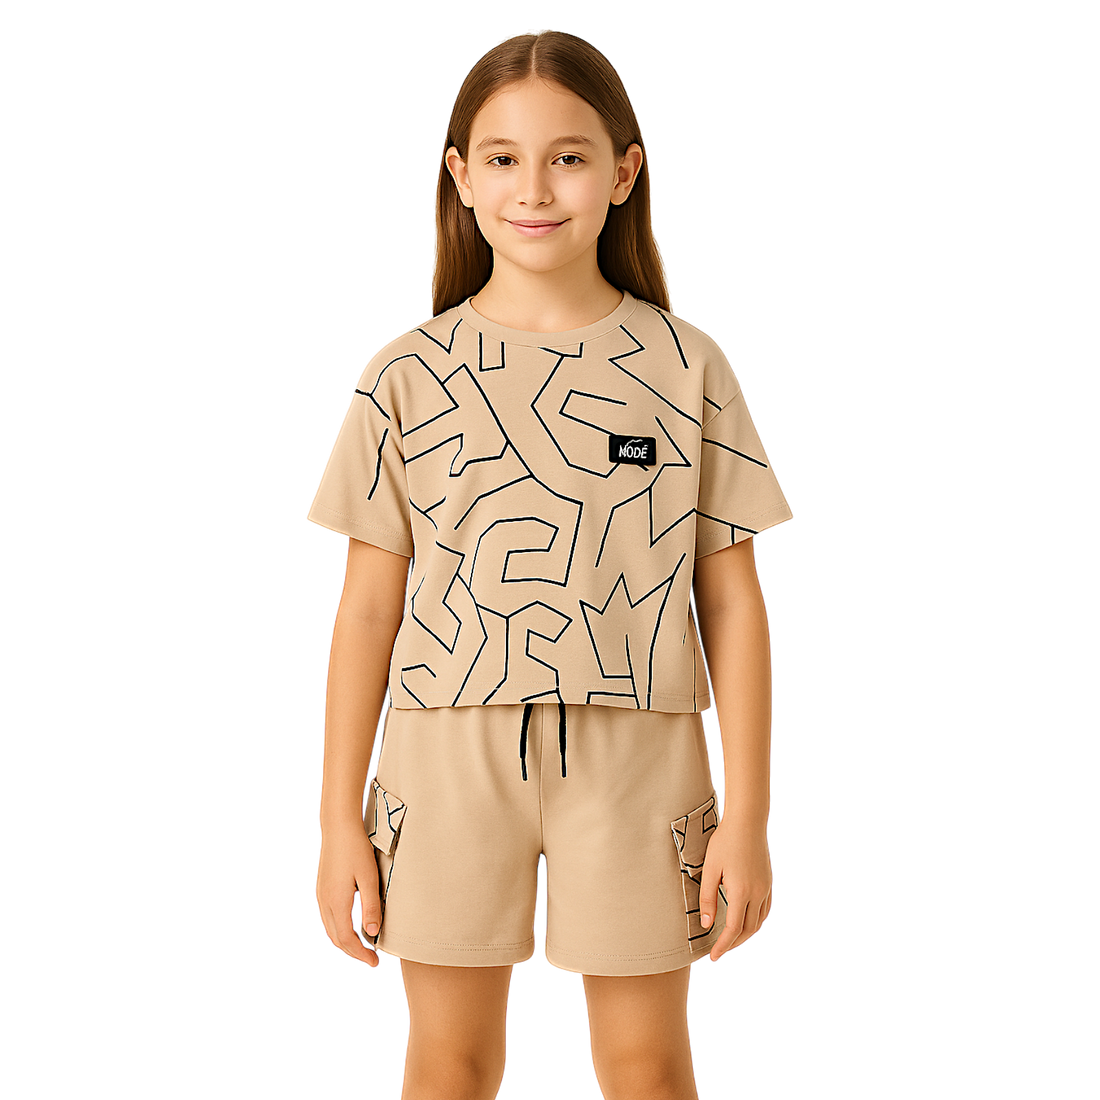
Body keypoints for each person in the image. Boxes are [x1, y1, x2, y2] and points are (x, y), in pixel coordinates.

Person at [307, 26, 794, 1100]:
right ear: (459, 175)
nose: (533, 187)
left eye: (568, 156)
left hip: (640, 753)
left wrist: (748, 817)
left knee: (645, 1063)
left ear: (624, 172)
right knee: (448, 1061)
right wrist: (337, 819)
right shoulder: (401, 375)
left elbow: (731, 605)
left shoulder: (688, 366)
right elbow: (369, 608)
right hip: (442, 750)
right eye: (502, 157)